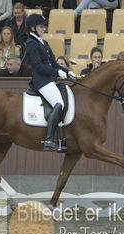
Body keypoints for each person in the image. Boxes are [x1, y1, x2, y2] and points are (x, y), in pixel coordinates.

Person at [24, 14, 76, 151]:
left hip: (48, 79)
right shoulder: (31, 44)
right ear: (33, 28)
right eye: (41, 26)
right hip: (40, 81)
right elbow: (38, 66)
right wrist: (57, 73)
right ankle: (48, 139)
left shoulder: (43, 43)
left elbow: (53, 63)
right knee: (59, 103)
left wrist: (67, 71)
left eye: (44, 26)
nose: (44, 29)